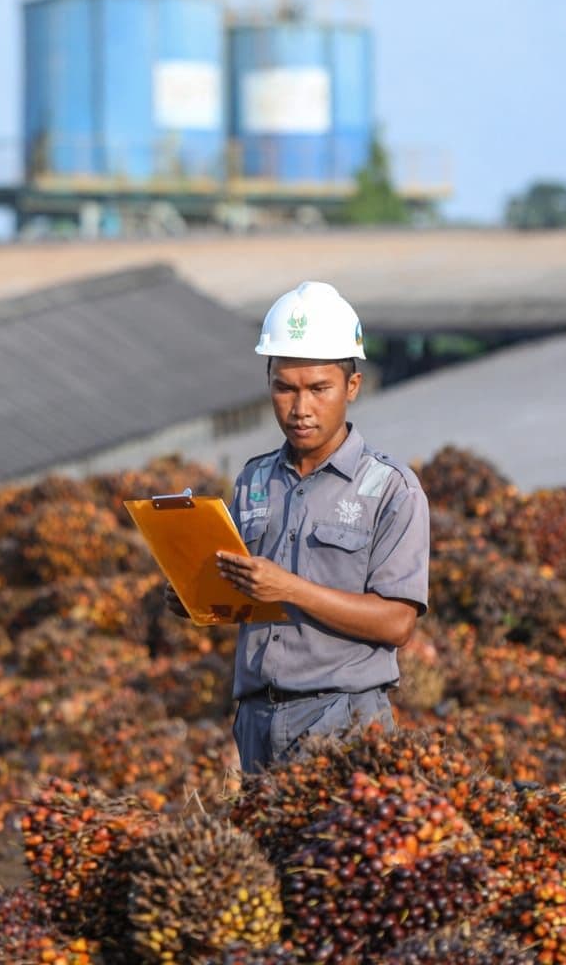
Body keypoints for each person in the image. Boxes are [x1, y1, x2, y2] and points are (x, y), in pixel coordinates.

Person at [166, 280, 429, 771]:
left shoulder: (390, 489)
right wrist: (194, 595)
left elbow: (397, 623)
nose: (300, 407)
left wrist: (288, 588)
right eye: (284, 388)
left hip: (343, 720)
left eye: (318, 389)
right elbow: (246, 598)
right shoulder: (253, 479)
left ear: (352, 387)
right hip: (256, 719)